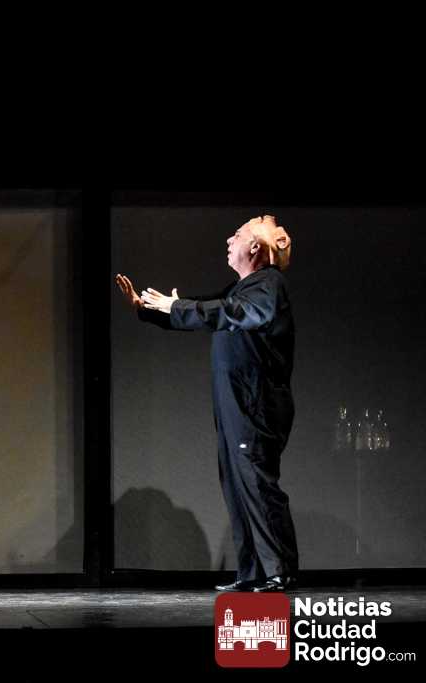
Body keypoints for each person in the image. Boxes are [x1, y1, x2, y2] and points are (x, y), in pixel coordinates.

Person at [115, 215, 299, 592]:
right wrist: (148, 308)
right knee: (236, 485)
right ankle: (253, 573)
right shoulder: (242, 288)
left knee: (256, 483)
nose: (229, 239)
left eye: (238, 234)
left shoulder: (268, 284)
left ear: (255, 248)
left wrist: (177, 305)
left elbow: (232, 313)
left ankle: (278, 570)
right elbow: (205, 310)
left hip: (255, 406)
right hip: (236, 404)